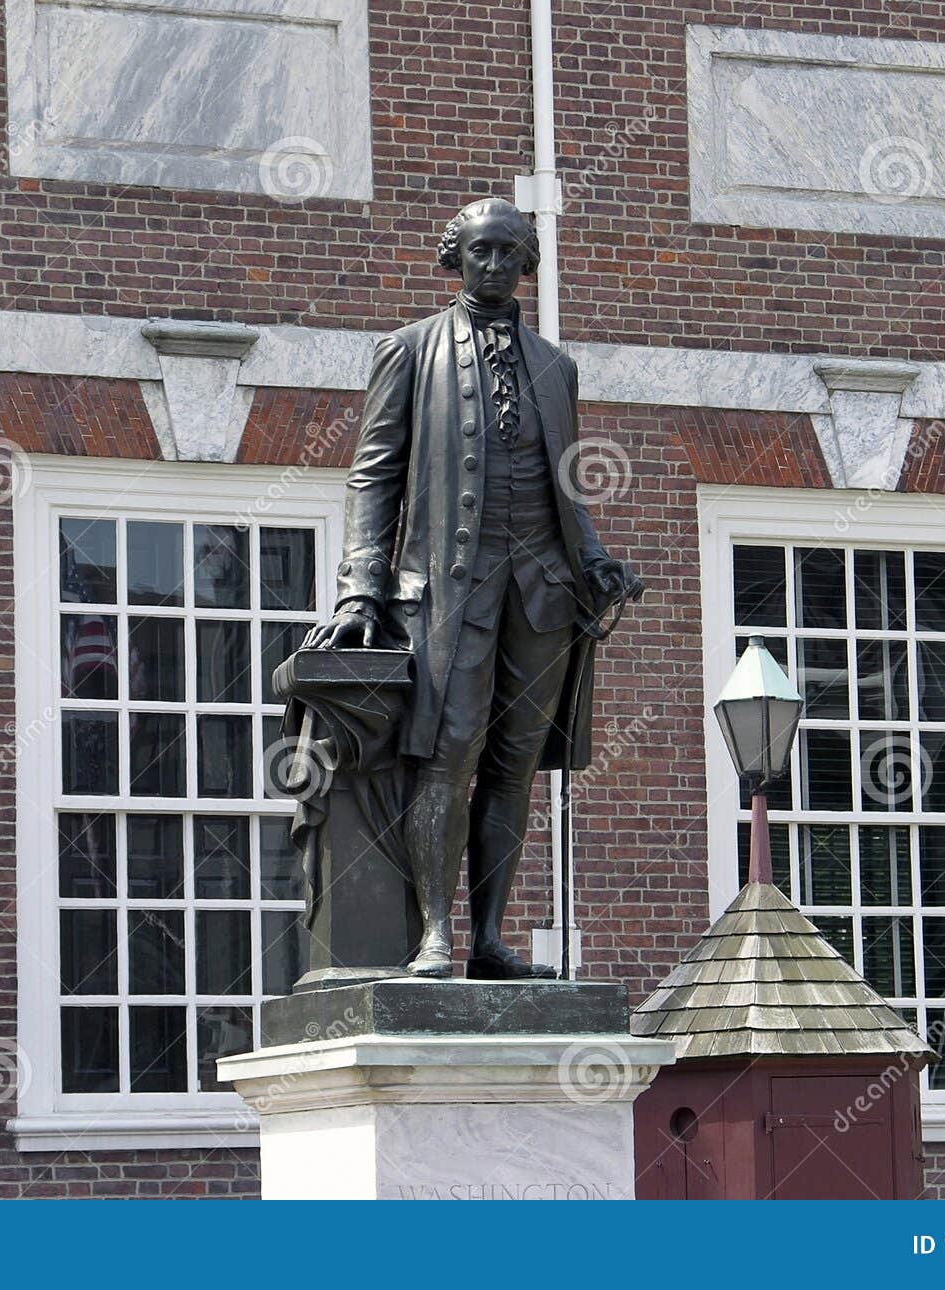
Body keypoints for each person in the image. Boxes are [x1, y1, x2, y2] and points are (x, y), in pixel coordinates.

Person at [306, 197, 643, 979]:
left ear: (527, 262)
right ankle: (436, 933)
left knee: (515, 764)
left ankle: (490, 939)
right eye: (479, 251)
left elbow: (564, 488)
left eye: (508, 252)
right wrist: (360, 589)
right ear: (453, 257)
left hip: (543, 591)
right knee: (450, 752)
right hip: (448, 590)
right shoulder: (409, 350)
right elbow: (373, 475)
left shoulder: (557, 369)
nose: (493, 265)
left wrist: (595, 559)